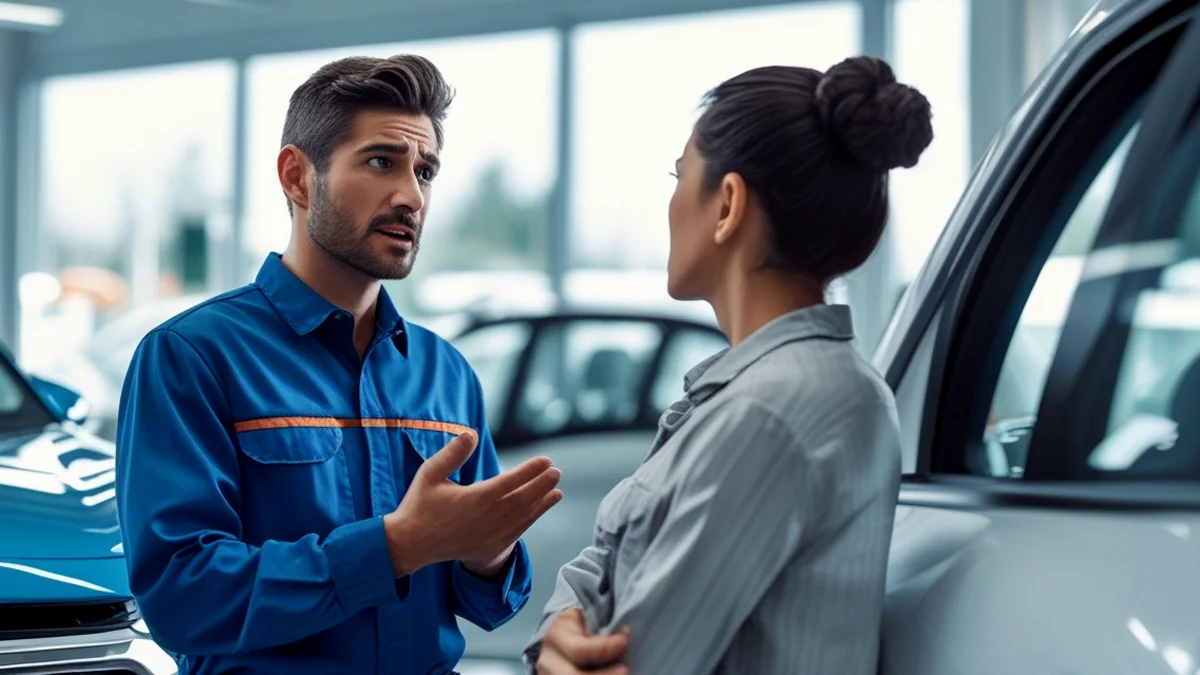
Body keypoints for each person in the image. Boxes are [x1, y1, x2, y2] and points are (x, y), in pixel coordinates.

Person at [114, 54, 563, 675]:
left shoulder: (447, 372)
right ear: (298, 178)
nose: (411, 196)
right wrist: (394, 547)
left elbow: (486, 604)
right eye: (382, 162)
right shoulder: (193, 357)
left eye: (425, 170)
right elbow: (182, 596)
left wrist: (487, 554)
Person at [524, 55, 934, 675]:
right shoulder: (767, 391)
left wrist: (566, 641)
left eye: (678, 174)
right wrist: (560, 626)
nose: (669, 201)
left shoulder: (773, 412)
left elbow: (628, 659)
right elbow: (600, 571)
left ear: (727, 205)